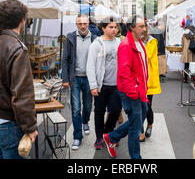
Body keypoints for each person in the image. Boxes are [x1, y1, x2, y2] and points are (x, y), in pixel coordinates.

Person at [0, 0, 38, 159]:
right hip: (10, 124)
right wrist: (30, 127)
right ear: (22, 20)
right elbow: (22, 95)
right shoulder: (18, 49)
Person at [103, 15, 149, 159]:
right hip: (131, 91)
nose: (144, 29)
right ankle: (136, 158)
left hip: (140, 89)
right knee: (136, 128)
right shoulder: (126, 45)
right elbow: (124, 73)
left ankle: (112, 137)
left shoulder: (139, 42)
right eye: (141, 26)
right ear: (132, 28)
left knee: (141, 117)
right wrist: (133, 90)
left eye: (144, 25)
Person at [62, 14, 98, 150]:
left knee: (88, 106)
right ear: (76, 25)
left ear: (88, 23)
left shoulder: (95, 39)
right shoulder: (70, 37)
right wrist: (65, 79)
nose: (82, 26)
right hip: (75, 78)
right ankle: (77, 136)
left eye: (84, 23)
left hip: (89, 78)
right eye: (79, 24)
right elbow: (65, 59)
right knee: (76, 109)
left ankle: (85, 121)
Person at [86, 17, 122, 150]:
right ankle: (100, 137)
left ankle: (109, 134)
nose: (114, 29)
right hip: (101, 86)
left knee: (116, 110)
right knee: (99, 112)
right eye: (111, 27)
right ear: (103, 28)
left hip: (116, 85)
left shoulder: (119, 43)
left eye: (115, 27)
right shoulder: (96, 44)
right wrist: (93, 86)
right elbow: (90, 66)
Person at [139, 25, 161, 142]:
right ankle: (140, 130)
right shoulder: (135, 40)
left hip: (148, 80)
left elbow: (146, 55)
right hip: (137, 80)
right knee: (139, 106)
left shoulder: (152, 41)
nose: (142, 30)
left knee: (147, 105)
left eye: (143, 28)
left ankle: (150, 125)